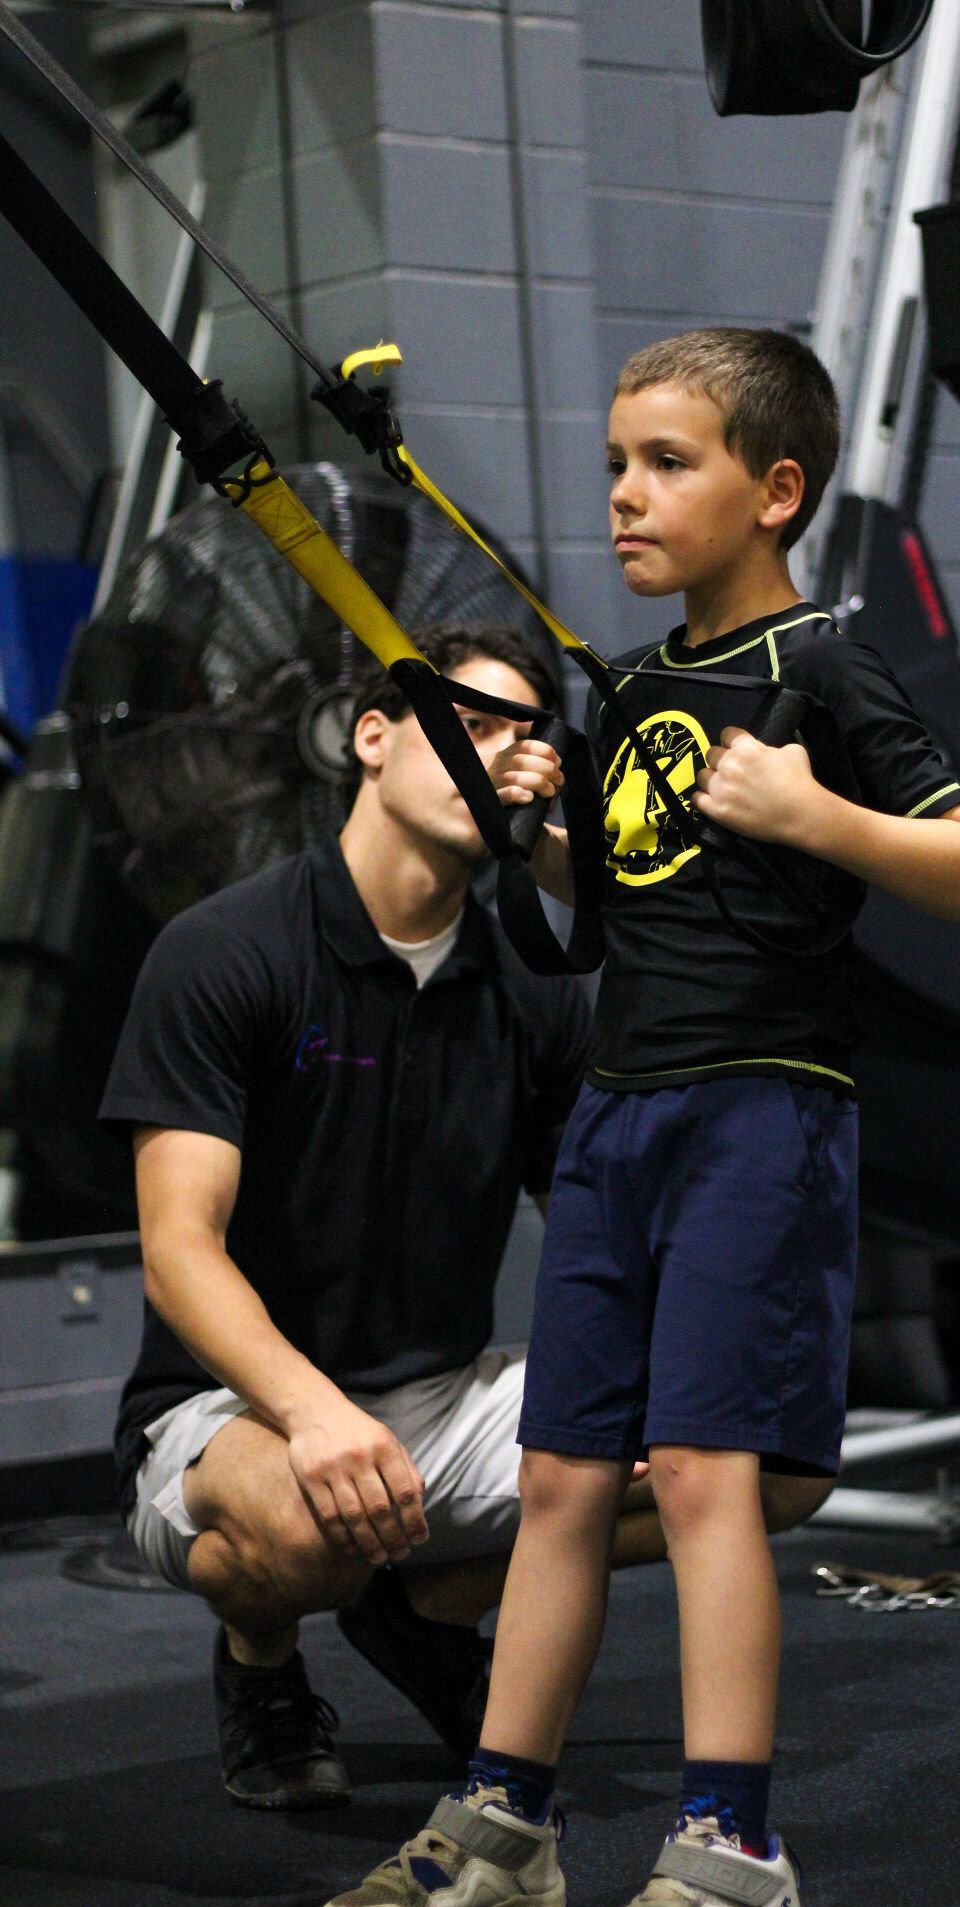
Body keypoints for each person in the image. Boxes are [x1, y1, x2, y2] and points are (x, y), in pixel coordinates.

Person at [315, 329, 960, 1907]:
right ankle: (501, 1832)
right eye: (618, 464)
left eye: (666, 464)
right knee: (568, 1478)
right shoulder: (632, 691)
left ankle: (733, 1854)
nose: (625, 497)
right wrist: (554, 844)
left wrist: (813, 813)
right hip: (620, 1119)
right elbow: (627, 903)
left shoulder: (820, 665)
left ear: (776, 491)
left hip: (761, 1115)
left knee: (702, 1474)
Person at [103, 621, 672, 1812]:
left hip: (440, 1393)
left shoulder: (535, 986)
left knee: (751, 1441)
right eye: (469, 730)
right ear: (370, 736)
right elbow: (177, 1250)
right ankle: (262, 1663)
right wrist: (310, 1414)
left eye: (525, 744)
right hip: (233, 1409)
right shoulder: (226, 951)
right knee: (310, 1534)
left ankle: (423, 1613)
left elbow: (591, 1222)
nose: (501, 764)